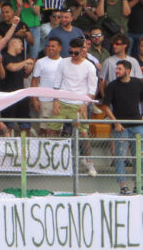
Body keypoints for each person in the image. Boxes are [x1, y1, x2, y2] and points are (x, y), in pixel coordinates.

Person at [48, 37, 98, 175]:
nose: (73, 56)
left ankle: (89, 163)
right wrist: (55, 101)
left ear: (83, 51)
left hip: (79, 104)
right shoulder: (63, 63)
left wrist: (85, 104)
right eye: (71, 52)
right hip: (63, 102)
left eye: (76, 53)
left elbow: (92, 90)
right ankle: (52, 159)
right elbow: (57, 82)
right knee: (53, 129)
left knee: (83, 134)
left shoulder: (89, 66)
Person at [99, 60, 143, 194]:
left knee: (139, 157)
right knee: (120, 156)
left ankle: (138, 184)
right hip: (120, 127)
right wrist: (115, 122)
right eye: (116, 69)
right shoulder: (112, 86)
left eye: (119, 69)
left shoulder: (138, 83)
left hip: (137, 125)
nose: (116, 71)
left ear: (128, 70)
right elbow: (105, 106)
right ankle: (123, 185)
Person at [30, 37, 65, 136]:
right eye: (48, 46)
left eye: (53, 46)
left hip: (59, 101)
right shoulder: (40, 62)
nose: (50, 48)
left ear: (59, 48)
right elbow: (34, 81)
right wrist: (35, 99)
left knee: (57, 129)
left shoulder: (64, 63)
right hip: (44, 100)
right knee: (44, 129)